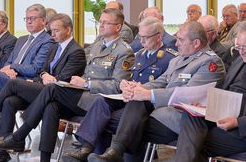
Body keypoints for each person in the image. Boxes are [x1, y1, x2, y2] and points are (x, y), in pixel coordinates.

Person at [0, 8, 134, 162]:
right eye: (101, 22)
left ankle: (19, 136)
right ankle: (44, 159)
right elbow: (84, 73)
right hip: (81, 93)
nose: (101, 25)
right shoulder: (97, 46)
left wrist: (87, 83)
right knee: (51, 107)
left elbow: (118, 85)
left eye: (106, 22)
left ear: (118, 27)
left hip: (98, 100)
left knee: (49, 87)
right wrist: (78, 81)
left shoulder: (124, 51)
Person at [88, 21, 225, 162]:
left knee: (111, 121)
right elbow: (161, 82)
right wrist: (136, 89)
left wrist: (148, 95)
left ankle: (116, 151)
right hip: (159, 112)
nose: (176, 43)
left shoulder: (210, 63)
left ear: (196, 43)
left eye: (180, 40)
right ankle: (115, 151)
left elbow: (187, 94)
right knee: (125, 109)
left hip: (182, 119)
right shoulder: (177, 60)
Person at [62, 16, 177, 161]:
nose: (141, 41)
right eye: (139, 37)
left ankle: (107, 153)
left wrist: (139, 89)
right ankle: (86, 148)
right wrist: (125, 84)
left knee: (103, 119)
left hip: (147, 103)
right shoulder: (139, 55)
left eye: (146, 37)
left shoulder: (169, 58)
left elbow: (165, 85)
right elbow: (127, 78)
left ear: (159, 36)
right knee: (101, 101)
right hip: (129, 97)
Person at [0, 13, 86, 161]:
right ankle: (1, 153)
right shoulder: (55, 47)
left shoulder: (76, 51)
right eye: (51, 30)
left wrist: (46, 77)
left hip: (60, 94)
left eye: (57, 30)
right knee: (10, 101)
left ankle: (9, 130)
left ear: (68, 29)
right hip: (43, 89)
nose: (52, 34)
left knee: (13, 83)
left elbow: (63, 80)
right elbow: (42, 71)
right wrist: (42, 77)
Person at [174, 21, 246, 162]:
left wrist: (238, 122)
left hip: (241, 130)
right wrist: (207, 105)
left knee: (193, 142)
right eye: (239, 46)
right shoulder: (239, 60)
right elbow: (226, 90)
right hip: (225, 117)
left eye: (245, 47)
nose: (242, 51)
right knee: (191, 116)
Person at [0, 4, 55, 103]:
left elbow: (35, 69)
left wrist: (13, 67)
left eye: (32, 18)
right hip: (9, 77)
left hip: (24, 82)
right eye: (27, 18)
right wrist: (8, 69)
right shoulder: (21, 39)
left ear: (44, 21)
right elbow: (7, 62)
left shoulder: (47, 41)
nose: (28, 21)